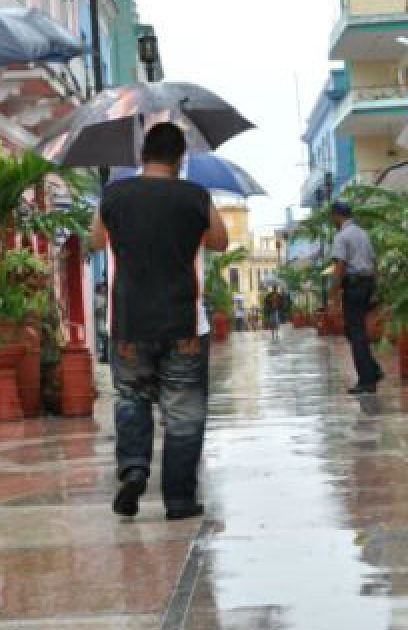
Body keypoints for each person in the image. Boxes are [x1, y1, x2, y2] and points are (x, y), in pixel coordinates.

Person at [91, 122, 229, 520]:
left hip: (128, 322)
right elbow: (220, 241)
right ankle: (179, 499)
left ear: (142, 156)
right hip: (183, 321)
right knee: (183, 410)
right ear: (180, 157)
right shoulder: (194, 196)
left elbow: (97, 240)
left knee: (132, 398)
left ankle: (134, 468)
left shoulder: (114, 195)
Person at [329, 201, 382, 394]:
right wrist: (376, 288)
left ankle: (367, 380)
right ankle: (373, 370)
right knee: (355, 332)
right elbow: (375, 262)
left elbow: (340, 267)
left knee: (356, 332)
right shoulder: (363, 233)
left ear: (337, 215)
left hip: (354, 286)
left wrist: (333, 295)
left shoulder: (342, 237)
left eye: (332, 217)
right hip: (368, 284)